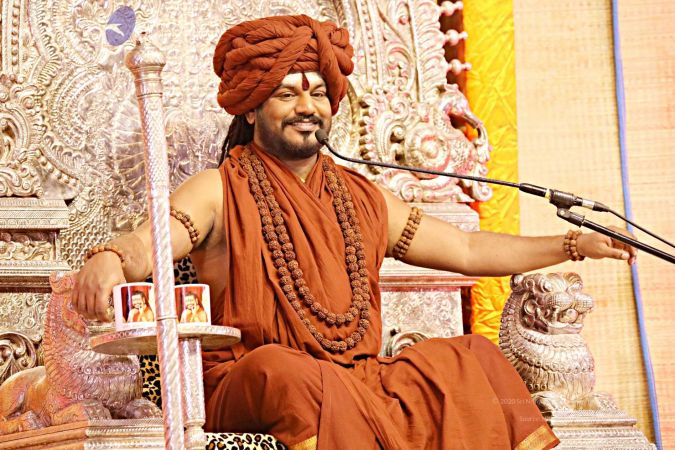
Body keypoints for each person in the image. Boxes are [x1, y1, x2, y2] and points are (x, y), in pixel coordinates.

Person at [72, 15, 637, 450]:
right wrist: (111, 258)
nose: (307, 106)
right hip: (252, 381)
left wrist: (572, 244)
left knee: (472, 358)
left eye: (318, 92)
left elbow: (466, 248)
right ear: (250, 108)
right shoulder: (218, 189)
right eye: (287, 93)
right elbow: (152, 242)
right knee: (284, 371)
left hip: (357, 375)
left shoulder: (360, 197)